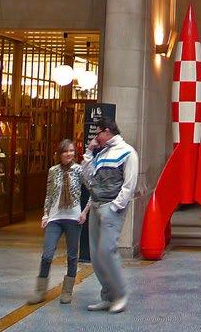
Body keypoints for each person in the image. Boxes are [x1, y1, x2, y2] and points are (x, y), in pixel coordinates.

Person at [81, 119, 138, 314]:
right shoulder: (101, 153)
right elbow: (88, 179)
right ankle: (108, 296)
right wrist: (89, 153)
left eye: (98, 133)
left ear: (106, 131)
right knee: (96, 256)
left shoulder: (128, 152)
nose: (96, 137)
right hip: (96, 205)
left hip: (110, 208)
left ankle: (121, 295)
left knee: (107, 251)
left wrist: (114, 207)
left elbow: (129, 185)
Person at [30, 139, 84, 306]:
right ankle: (40, 291)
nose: (69, 154)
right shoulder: (53, 171)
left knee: (72, 256)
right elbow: (49, 194)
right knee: (47, 255)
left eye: (72, 151)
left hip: (73, 218)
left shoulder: (79, 170)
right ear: (59, 154)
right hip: (55, 218)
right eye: (65, 151)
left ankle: (67, 291)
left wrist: (85, 212)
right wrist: (45, 215)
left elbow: (92, 189)